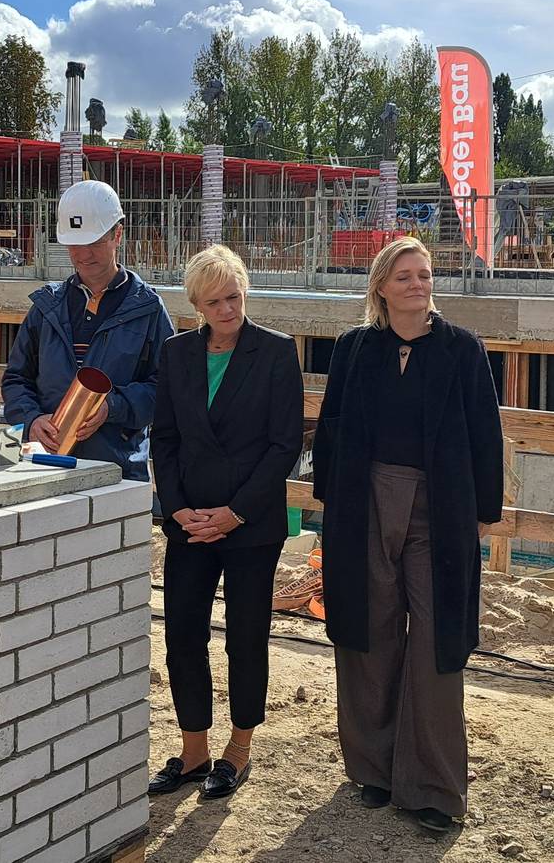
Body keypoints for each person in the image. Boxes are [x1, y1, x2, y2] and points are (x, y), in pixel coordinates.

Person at [312, 236, 504, 834]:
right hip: (364, 501)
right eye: (404, 276)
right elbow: (332, 428)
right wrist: (332, 504)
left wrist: (484, 511)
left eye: (424, 275)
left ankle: (434, 788)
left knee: (435, 646)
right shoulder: (353, 349)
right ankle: (372, 770)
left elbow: (484, 433)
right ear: (381, 287)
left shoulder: (462, 350)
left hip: (439, 508)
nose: (417, 285)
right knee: (369, 635)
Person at [147, 245, 303, 801]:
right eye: (214, 302)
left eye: (233, 296)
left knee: (245, 636)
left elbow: (285, 445)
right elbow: (163, 438)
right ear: (197, 305)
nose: (227, 309)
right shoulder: (176, 353)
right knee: (182, 634)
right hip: (189, 521)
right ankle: (193, 751)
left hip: (251, 526)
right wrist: (176, 506)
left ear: (245, 290)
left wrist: (235, 513)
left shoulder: (278, 352)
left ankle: (239, 747)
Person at [2, 180, 174, 481]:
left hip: (116, 472)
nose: (83, 254)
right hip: (44, 466)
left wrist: (113, 407)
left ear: (117, 234)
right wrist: (31, 420)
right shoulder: (46, 307)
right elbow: (17, 379)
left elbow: (167, 388)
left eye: (94, 242)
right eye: (74, 244)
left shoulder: (149, 310)